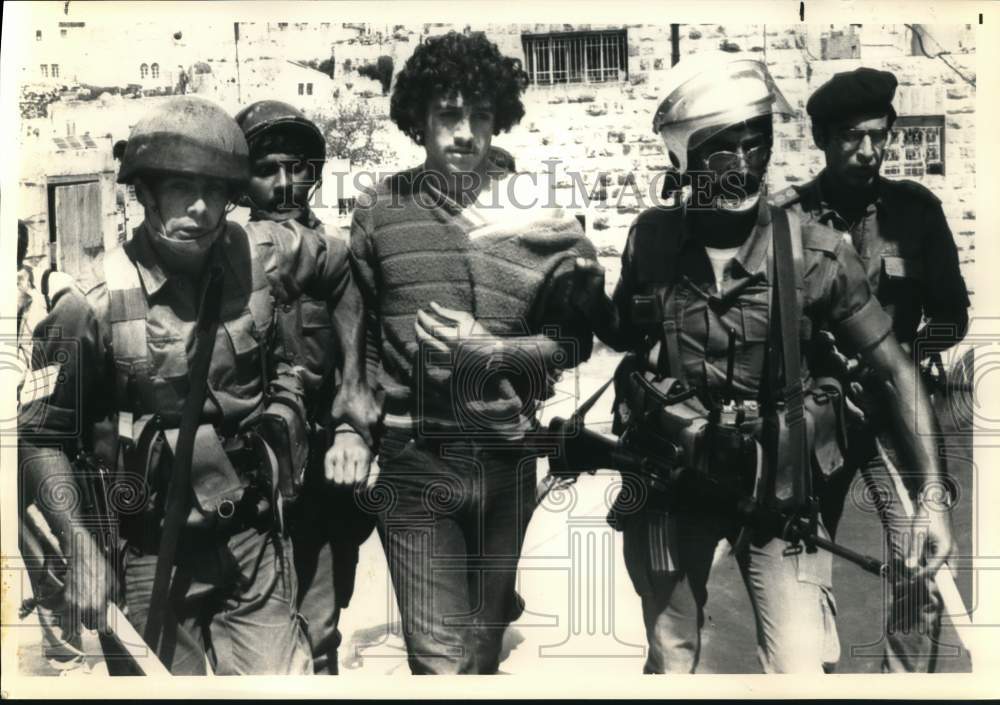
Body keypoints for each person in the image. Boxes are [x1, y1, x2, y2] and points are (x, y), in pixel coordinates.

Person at [572, 52, 954, 673]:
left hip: (781, 495)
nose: (746, 162)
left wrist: (933, 499)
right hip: (674, 486)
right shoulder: (653, 241)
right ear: (685, 157)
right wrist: (581, 295)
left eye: (758, 142)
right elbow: (629, 332)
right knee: (673, 659)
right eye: (725, 146)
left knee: (800, 666)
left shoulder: (816, 254)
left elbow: (894, 370)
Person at [18, 95, 375, 675]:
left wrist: (352, 398)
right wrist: (78, 544)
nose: (203, 208)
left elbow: (345, 266)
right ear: (144, 192)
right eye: (182, 187)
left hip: (251, 538)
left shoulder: (261, 252)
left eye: (217, 189)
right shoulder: (88, 304)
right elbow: (38, 438)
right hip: (145, 551)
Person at [349, 31, 596, 674]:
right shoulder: (379, 211)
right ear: (418, 119)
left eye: (480, 116)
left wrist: (490, 350)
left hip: (507, 463)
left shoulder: (540, 215)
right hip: (414, 461)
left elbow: (574, 344)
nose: (464, 133)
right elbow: (361, 338)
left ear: (500, 119)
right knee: (439, 664)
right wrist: (353, 428)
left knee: (482, 654)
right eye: (448, 115)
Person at [774, 67, 970, 672]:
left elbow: (952, 316)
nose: (868, 151)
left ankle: (901, 681)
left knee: (922, 560)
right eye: (851, 138)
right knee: (799, 560)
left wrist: (903, 353)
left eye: (879, 135)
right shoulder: (787, 221)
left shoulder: (916, 213)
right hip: (818, 414)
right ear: (823, 139)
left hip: (895, 415)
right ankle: (819, 672)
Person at [234, 99, 377, 675]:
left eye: (298, 168)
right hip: (243, 477)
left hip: (319, 469)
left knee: (319, 628)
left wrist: (350, 428)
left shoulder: (339, 261)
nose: (286, 183)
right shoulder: (227, 255)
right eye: (267, 168)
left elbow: (360, 363)